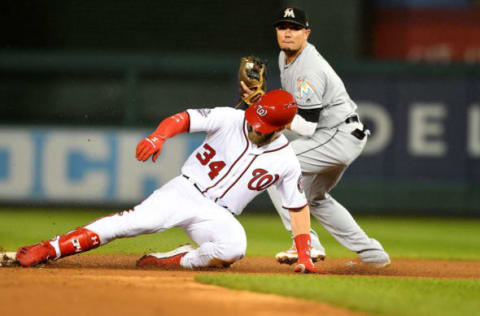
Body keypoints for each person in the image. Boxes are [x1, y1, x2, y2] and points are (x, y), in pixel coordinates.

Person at [16, 89, 325, 274]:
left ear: (282, 127)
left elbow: (297, 208)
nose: (255, 127)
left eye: (265, 126)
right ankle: (49, 249)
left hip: (219, 214)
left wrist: (303, 255)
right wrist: (159, 135)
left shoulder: (286, 160)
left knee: (233, 248)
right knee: (127, 225)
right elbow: (184, 118)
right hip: (184, 191)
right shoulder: (231, 118)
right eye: (256, 119)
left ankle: (177, 260)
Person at [241, 7, 390, 267]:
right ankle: (373, 255)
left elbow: (308, 126)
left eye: (295, 28)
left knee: (275, 167)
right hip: (334, 135)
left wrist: (263, 106)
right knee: (314, 199)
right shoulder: (283, 58)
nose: (288, 33)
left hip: (335, 135)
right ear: (277, 31)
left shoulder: (309, 69)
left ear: (306, 33)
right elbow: (293, 109)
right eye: (283, 27)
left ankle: (306, 242)